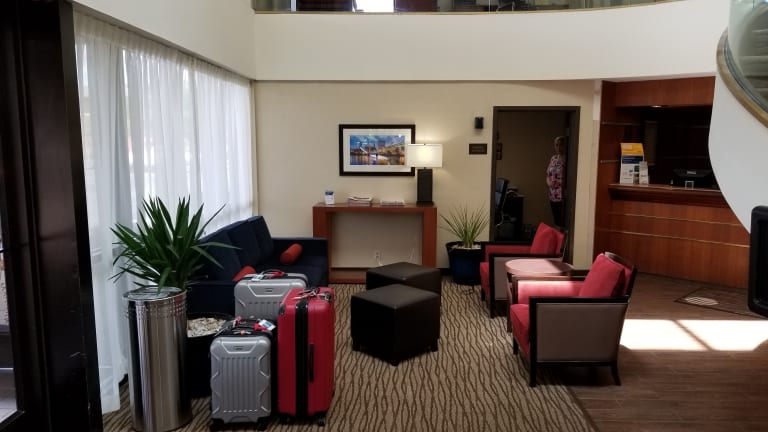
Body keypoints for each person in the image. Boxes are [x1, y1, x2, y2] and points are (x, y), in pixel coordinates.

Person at [546, 135, 566, 227]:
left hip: (562, 196)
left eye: (561, 145)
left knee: (562, 222)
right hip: (552, 195)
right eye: (556, 145)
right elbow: (547, 175)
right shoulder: (553, 158)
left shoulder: (567, 159)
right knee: (556, 221)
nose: (558, 147)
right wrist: (549, 183)